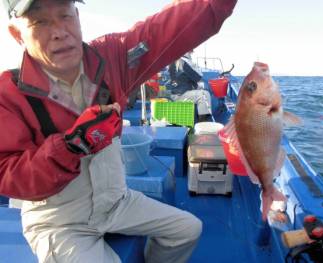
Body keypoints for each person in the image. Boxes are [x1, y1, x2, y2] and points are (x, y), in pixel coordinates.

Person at [0, 0, 237, 262]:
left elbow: (176, 26)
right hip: (60, 222)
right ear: (16, 33)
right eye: (40, 22)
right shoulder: (8, 94)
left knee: (187, 229)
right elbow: (9, 175)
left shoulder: (112, 56)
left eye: (65, 16)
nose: (59, 31)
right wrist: (72, 146)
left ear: (77, 17)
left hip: (116, 202)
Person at [167, 51, 213, 122]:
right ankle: (203, 125)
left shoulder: (175, 61)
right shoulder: (184, 61)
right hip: (179, 95)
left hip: (176, 93)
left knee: (201, 92)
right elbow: (198, 77)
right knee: (204, 95)